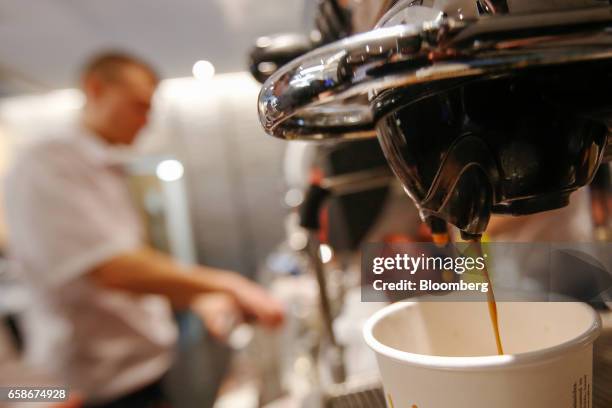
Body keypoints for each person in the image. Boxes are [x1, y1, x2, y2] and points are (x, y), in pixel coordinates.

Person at [2, 52, 284, 407]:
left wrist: (197, 297)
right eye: (138, 106)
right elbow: (110, 268)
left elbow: (133, 268)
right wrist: (227, 283)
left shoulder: (105, 165)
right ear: (95, 89)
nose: (145, 121)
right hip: (89, 390)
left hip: (143, 372)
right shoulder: (48, 163)